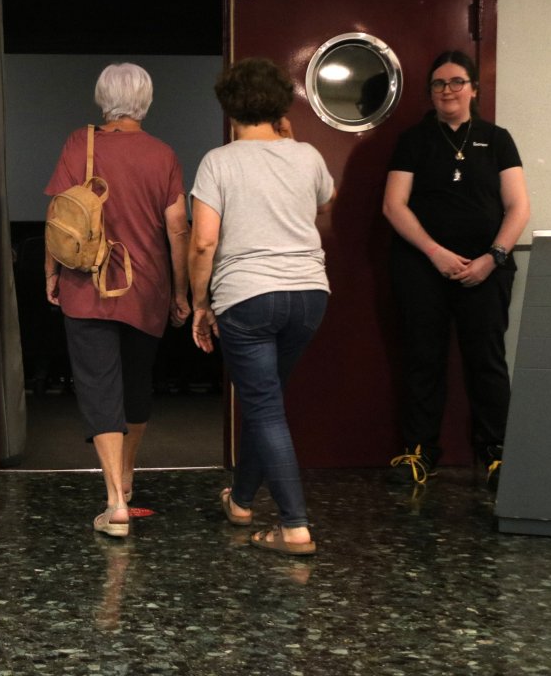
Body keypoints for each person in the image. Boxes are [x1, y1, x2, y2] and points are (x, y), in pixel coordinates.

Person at [188, 57, 335, 556]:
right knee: (264, 400)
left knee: (265, 407)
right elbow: (322, 204)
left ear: (228, 106)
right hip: (310, 296)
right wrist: (288, 140)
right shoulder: (308, 156)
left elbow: (204, 243)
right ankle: (242, 502)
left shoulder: (219, 162)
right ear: (281, 103)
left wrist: (200, 303)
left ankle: (295, 526)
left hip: (248, 298)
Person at [45, 62, 191, 538]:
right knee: (136, 386)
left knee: (98, 387)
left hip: (87, 284)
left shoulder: (78, 144)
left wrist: (51, 273)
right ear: (145, 101)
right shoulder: (163, 154)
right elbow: (177, 229)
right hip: (146, 285)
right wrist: (182, 290)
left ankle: (114, 503)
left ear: (102, 97)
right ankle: (126, 480)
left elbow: (59, 214)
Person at [383, 50, 530, 490]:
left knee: (486, 361)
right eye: (438, 84)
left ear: (473, 89)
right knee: (422, 358)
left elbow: (518, 206)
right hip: (422, 267)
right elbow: (394, 205)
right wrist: (435, 252)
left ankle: (497, 453)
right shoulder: (413, 139)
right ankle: (419, 452)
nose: (447, 90)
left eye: (456, 82)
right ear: (430, 92)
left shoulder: (497, 138)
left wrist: (493, 257)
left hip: (487, 268)